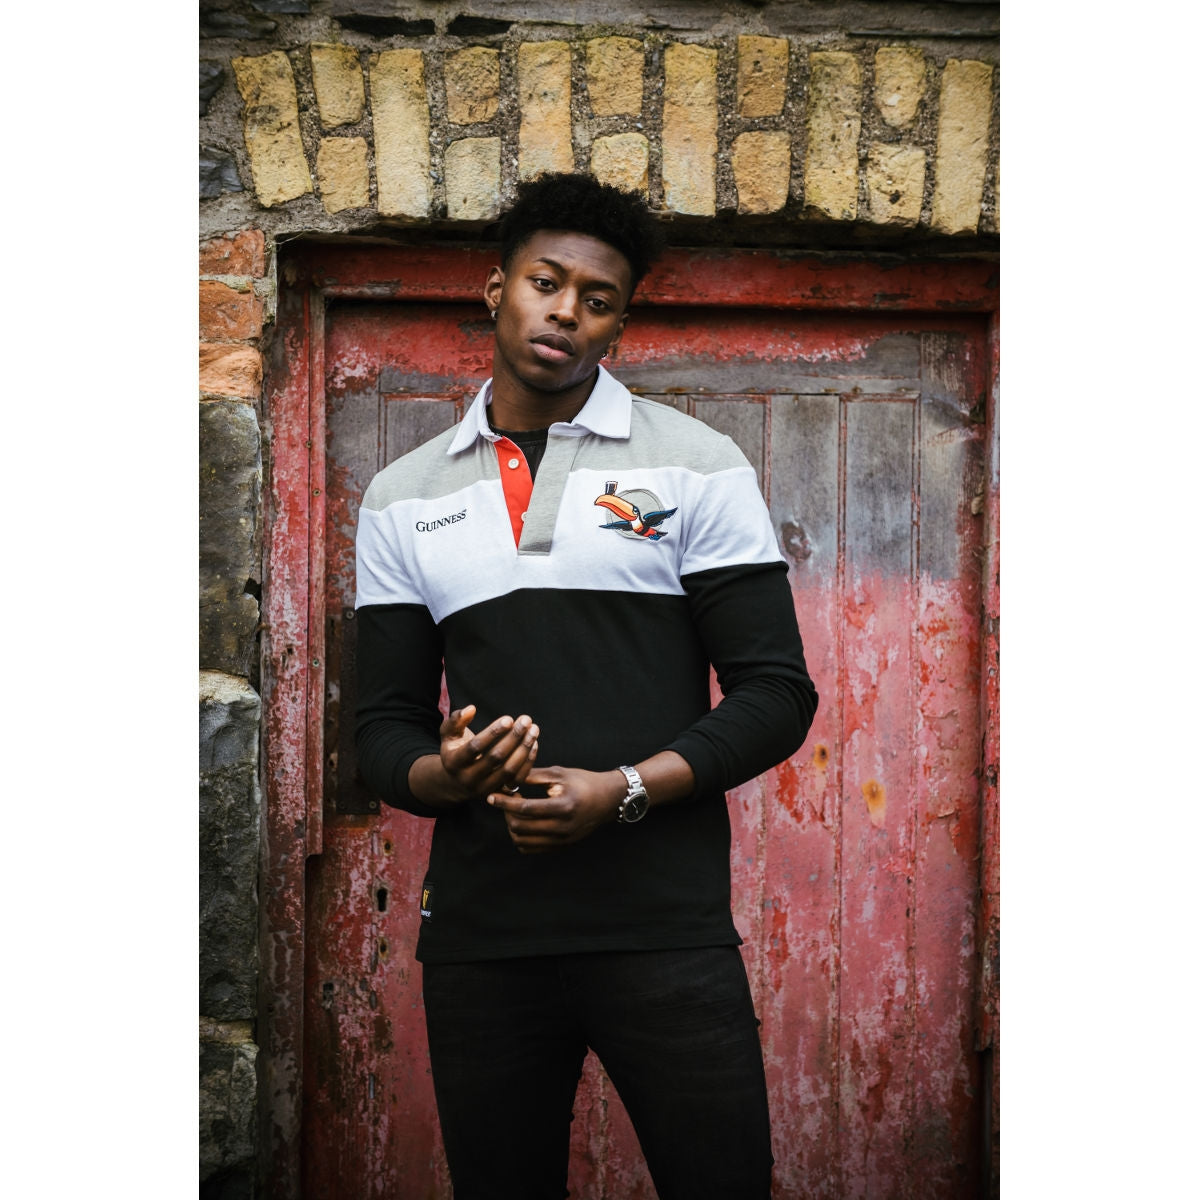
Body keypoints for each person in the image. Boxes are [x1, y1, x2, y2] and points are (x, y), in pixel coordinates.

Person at [354, 172, 818, 1200]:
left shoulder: (697, 465)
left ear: (620, 323)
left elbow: (777, 695)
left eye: (597, 299)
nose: (565, 311)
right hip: (485, 940)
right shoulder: (403, 496)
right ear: (495, 289)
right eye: (544, 282)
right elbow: (380, 733)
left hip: (664, 930)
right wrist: (448, 773)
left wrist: (625, 790)